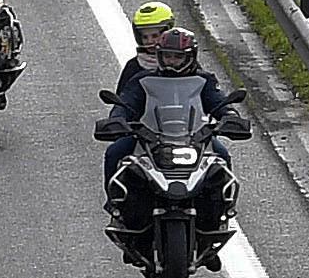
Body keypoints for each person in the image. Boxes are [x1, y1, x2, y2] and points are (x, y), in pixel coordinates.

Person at [101, 22, 246, 201]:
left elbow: (218, 101)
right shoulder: (143, 79)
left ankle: (224, 207)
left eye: (177, 57)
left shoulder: (204, 80)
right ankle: (115, 205)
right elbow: (126, 102)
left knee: (221, 157)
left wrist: (230, 116)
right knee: (114, 152)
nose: (171, 61)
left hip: (195, 137)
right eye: (167, 56)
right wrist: (117, 119)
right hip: (149, 137)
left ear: (190, 57)